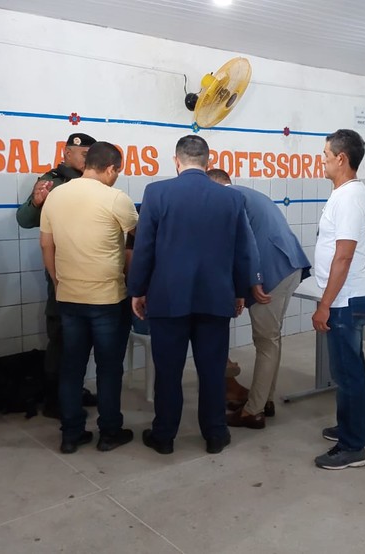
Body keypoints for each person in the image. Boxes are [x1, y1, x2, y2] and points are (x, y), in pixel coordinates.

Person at [128, 135, 259, 455]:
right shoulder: (231, 198)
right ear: (208, 161)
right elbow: (243, 251)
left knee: (168, 372)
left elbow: (144, 248)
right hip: (215, 298)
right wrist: (240, 291)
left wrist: (137, 290)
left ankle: (164, 436)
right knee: (212, 371)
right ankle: (215, 435)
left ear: (176, 161)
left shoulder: (156, 193)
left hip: (168, 298)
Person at [39, 142, 139, 454]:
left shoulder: (56, 195)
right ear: (110, 169)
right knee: (109, 368)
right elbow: (139, 238)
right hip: (107, 299)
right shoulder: (116, 198)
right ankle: (109, 433)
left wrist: (58, 281)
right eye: (117, 172)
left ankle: (71, 434)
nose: (116, 177)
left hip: (69, 298)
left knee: (72, 367)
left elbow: (46, 246)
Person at [206, 168, 312, 430]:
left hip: (272, 273)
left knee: (265, 341)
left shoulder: (230, 197)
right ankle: (265, 401)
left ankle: (252, 412)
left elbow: (245, 243)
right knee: (272, 339)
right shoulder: (249, 193)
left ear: (215, 186)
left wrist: (253, 281)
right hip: (288, 266)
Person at [312, 129, 365, 470]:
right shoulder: (353, 193)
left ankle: (353, 447)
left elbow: (343, 255)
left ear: (341, 159)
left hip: (344, 300)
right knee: (351, 369)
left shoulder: (348, 198)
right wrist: (360, 255)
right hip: (350, 293)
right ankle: (353, 429)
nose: (322, 161)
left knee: (347, 373)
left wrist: (324, 305)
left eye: (326, 155)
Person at [17, 132, 97, 418]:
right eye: (84, 154)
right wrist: (37, 202)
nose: (88, 159)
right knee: (61, 335)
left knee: (83, 337)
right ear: (67, 153)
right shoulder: (52, 180)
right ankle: (55, 400)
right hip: (61, 270)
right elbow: (24, 220)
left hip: (89, 270)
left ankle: (73, 391)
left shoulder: (94, 180)